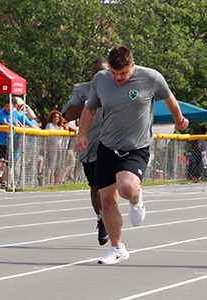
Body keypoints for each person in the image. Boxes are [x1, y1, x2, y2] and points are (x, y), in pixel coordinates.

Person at [75, 45, 189, 264]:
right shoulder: (101, 79)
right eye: (114, 73)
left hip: (136, 148)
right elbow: (90, 109)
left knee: (126, 187)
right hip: (107, 147)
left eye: (123, 73)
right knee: (106, 202)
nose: (118, 77)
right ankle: (117, 248)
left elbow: (170, 99)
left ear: (132, 66)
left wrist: (179, 119)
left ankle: (137, 199)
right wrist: (82, 134)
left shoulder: (151, 77)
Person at [63, 58, 109, 246]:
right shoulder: (82, 90)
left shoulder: (117, 86)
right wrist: (90, 103)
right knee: (95, 186)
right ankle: (101, 218)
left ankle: (109, 213)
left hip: (112, 142)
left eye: (103, 71)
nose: (99, 75)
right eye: (95, 71)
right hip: (89, 145)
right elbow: (67, 115)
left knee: (110, 185)